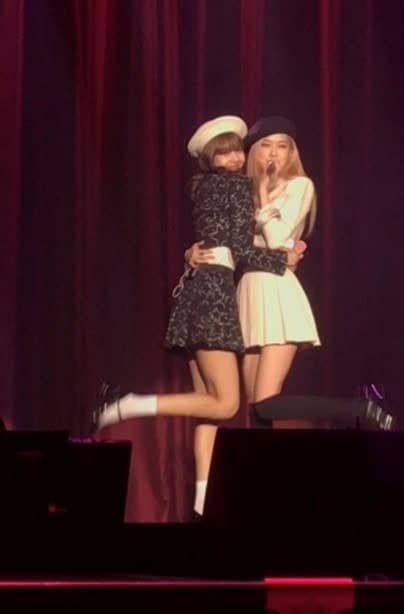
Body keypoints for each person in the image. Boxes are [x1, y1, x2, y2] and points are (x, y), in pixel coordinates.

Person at [93, 116, 302, 514]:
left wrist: (191, 251)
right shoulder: (235, 187)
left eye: (237, 150)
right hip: (214, 297)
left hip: (197, 294)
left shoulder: (201, 187)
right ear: (210, 158)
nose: (235, 158)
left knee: (207, 406)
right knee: (226, 405)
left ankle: (201, 504)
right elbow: (241, 249)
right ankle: (128, 405)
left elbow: (219, 242)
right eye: (224, 153)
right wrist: (283, 259)